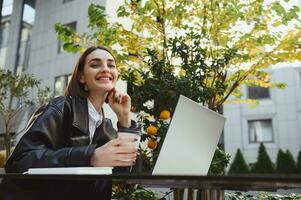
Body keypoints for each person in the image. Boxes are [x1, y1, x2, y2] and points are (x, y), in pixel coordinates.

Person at [3, 46, 141, 200]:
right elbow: (21, 161)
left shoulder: (107, 127)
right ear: (82, 77)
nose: (105, 69)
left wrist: (124, 119)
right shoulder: (61, 108)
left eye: (111, 65)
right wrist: (90, 156)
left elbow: (129, 173)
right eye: (95, 65)